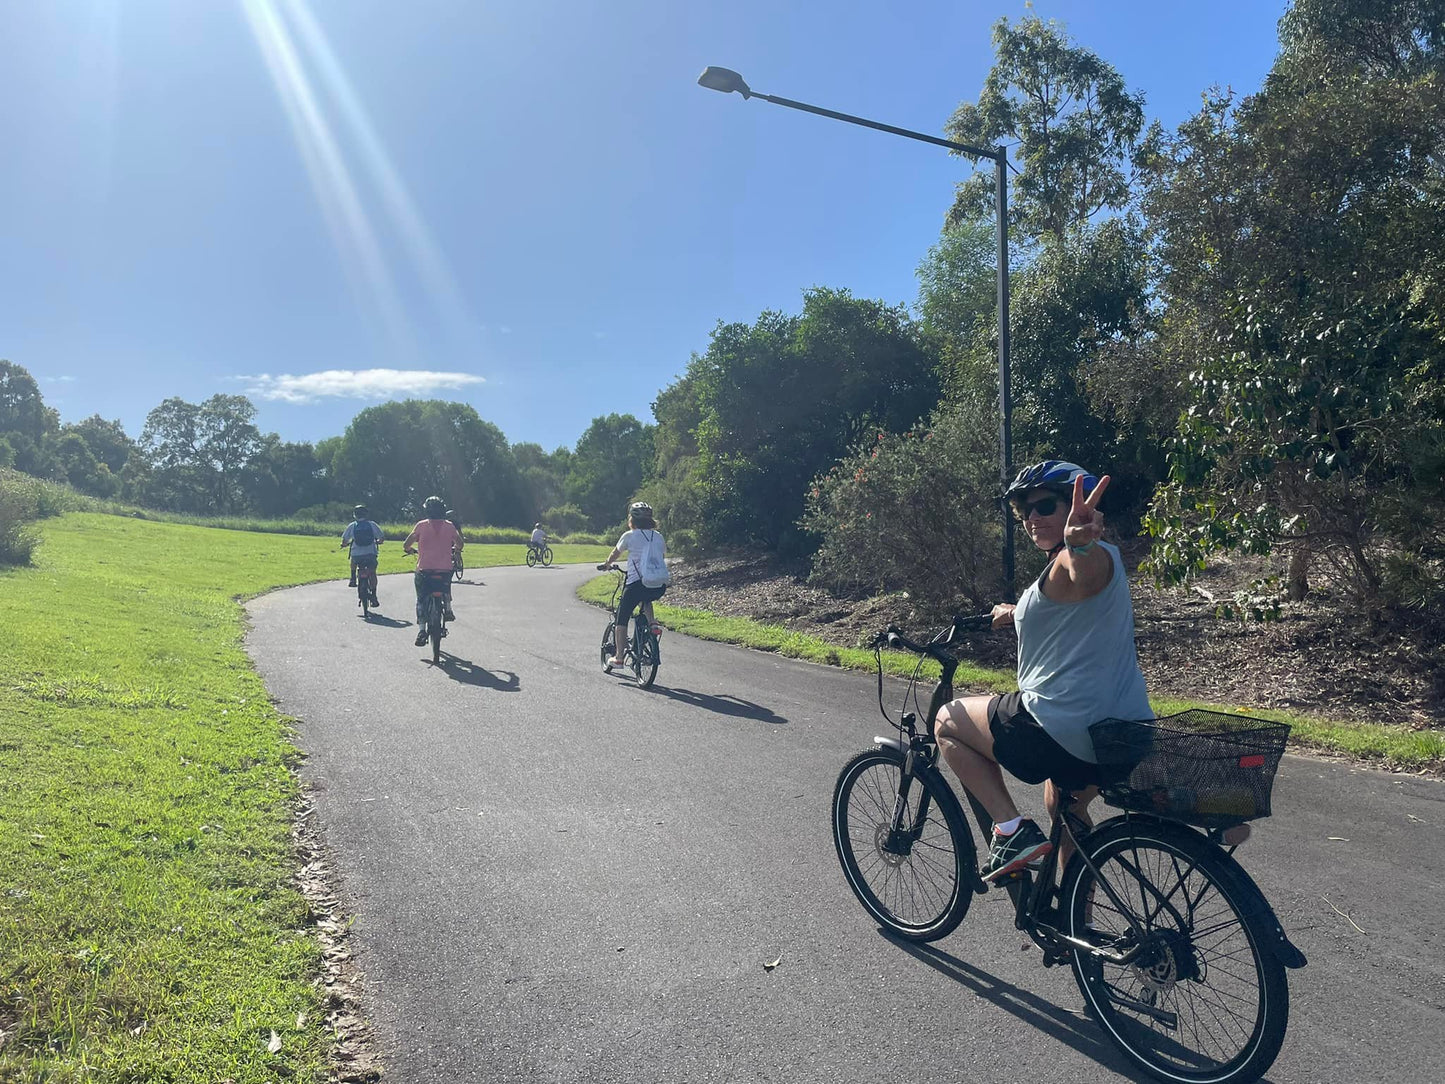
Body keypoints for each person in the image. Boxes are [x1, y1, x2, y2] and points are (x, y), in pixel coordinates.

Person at [933, 461, 1152, 882]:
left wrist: (1080, 544)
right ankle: (1080, 931)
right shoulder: (1072, 568)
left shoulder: (1086, 558)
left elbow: (1082, 575)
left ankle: (1011, 830)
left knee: (948, 719)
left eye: (1045, 505)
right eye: (1024, 511)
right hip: (1122, 729)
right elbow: (1067, 607)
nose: (1032, 518)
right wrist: (1016, 612)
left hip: (1061, 725)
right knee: (1064, 808)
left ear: (1076, 503)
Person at [602, 501, 668, 667]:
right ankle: (652, 624)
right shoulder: (658, 536)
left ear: (632, 519)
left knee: (621, 619)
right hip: (658, 585)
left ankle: (618, 657)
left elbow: (615, 553)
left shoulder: (630, 535)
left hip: (636, 584)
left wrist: (607, 564)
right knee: (646, 598)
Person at [403, 496, 462, 647]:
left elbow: (406, 544)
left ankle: (422, 630)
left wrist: (409, 550)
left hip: (424, 569)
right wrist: (456, 549)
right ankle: (448, 608)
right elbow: (460, 543)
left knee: (421, 598)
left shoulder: (421, 526)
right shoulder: (449, 526)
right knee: (445, 585)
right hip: (444, 569)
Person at [341, 504, 383, 607]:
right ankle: (373, 595)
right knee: (372, 572)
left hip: (357, 554)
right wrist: (378, 541)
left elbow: (345, 540)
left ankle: (352, 578)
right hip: (370, 553)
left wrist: (344, 544)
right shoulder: (372, 525)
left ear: (355, 515)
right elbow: (381, 538)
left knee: (353, 560)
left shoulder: (352, 526)